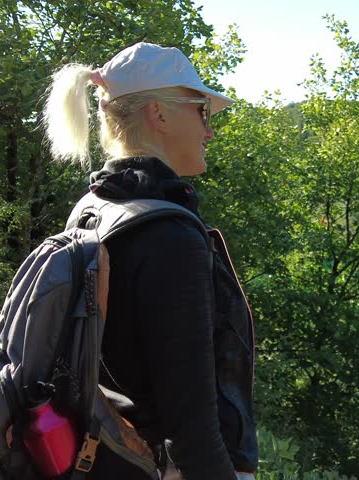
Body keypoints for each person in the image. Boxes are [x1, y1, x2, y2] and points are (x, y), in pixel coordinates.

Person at [42, 42, 257, 480]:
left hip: (106, 451)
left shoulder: (93, 207)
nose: (209, 130)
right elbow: (191, 423)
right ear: (159, 114)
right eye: (202, 111)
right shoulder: (169, 236)